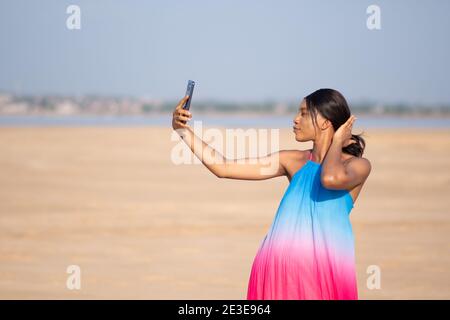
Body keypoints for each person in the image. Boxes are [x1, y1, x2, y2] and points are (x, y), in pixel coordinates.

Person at [172, 88, 371, 300]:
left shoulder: (358, 166)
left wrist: (337, 142)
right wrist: (181, 130)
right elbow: (223, 167)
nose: (295, 119)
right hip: (277, 273)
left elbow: (329, 178)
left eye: (304, 113)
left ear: (325, 122)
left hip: (323, 276)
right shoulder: (292, 161)